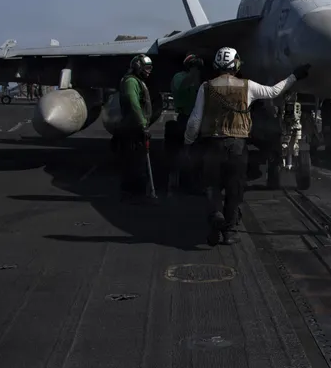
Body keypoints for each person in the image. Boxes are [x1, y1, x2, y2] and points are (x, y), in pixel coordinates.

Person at [183, 47, 310, 245]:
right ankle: (229, 231)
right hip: (237, 148)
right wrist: (295, 76)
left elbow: (194, 121)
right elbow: (274, 91)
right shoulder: (247, 86)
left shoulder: (206, 87)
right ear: (236, 64)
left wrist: (188, 143)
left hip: (213, 145)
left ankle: (216, 214)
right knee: (235, 189)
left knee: (212, 185)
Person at [118, 54, 158, 204]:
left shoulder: (136, 81)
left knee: (137, 161)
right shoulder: (131, 82)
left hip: (135, 127)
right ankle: (130, 193)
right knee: (133, 162)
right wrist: (142, 125)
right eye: (146, 68)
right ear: (138, 67)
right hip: (132, 129)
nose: (148, 71)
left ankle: (136, 191)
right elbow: (134, 104)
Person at [166, 53, 204, 194]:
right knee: (181, 153)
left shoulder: (198, 79)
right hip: (184, 118)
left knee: (197, 154)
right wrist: (193, 73)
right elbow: (181, 88)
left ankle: (195, 182)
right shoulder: (179, 77)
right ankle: (178, 182)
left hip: (197, 118)